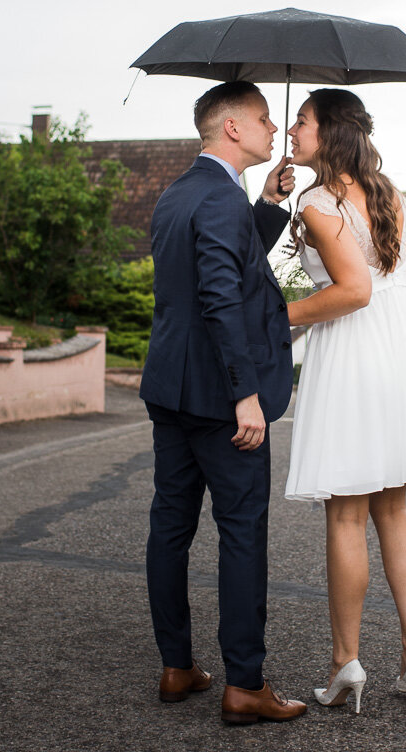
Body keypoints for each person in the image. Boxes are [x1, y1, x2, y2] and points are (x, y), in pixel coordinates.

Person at [282, 88, 406, 714]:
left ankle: (345, 663)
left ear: (329, 133)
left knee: (345, 514)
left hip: (353, 353)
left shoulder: (319, 202)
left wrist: (281, 317)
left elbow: (351, 291)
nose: (291, 129)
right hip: (403, 351)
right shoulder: (389, 193)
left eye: (301, 121)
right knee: (394, 509)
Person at [138, 80, 308, 727]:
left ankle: (177, 666)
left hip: (169, 392)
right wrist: (246, 395)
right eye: (265, 120)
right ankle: (245, 684)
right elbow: (219, 298)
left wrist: (266, 207)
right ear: (232, 128)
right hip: (219, 401)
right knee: (241, 535)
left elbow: (222, 266)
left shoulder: (182, 194)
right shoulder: (218, 200)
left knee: (170, 529)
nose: (274, 130)